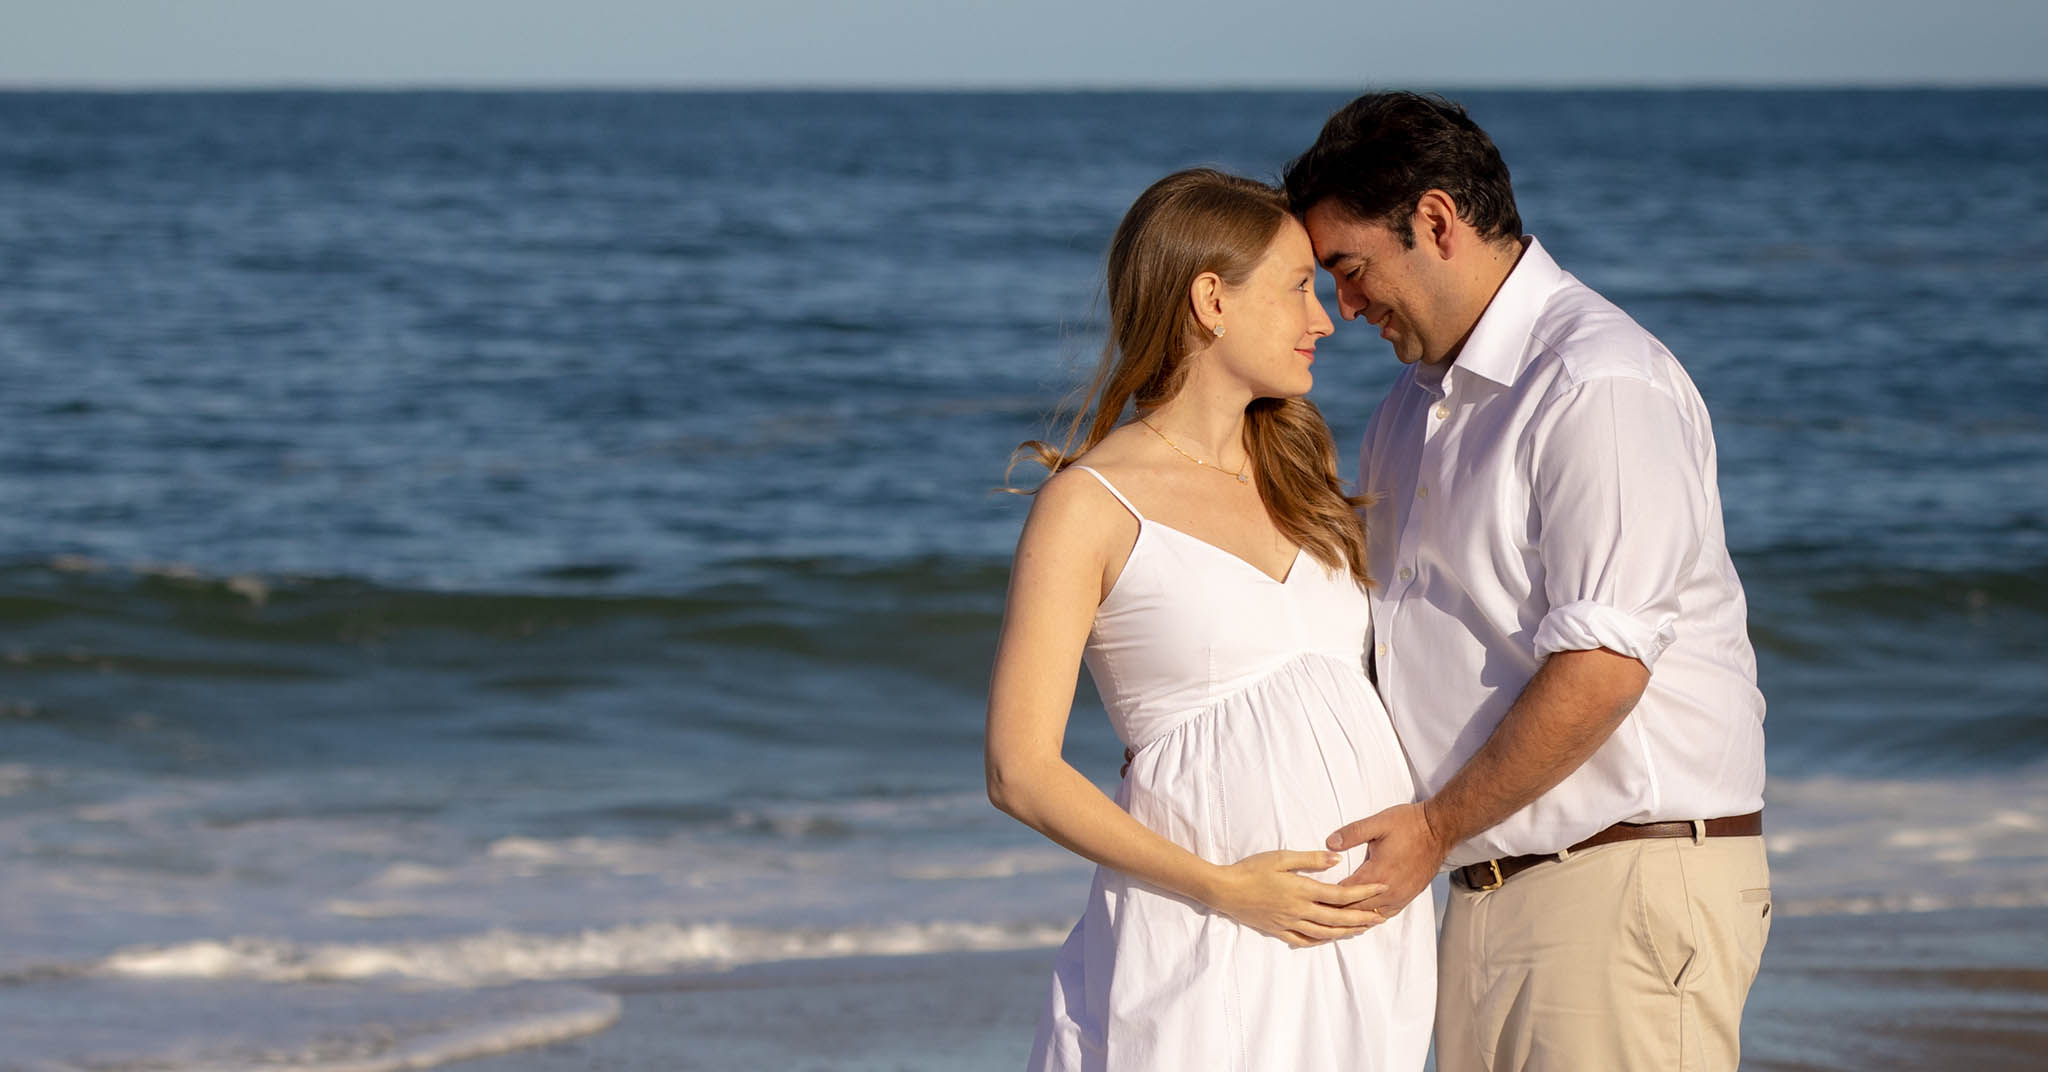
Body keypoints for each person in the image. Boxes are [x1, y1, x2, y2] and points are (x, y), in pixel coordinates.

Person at [1281, 92, 1771, 1071]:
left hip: (1615, 874)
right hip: (1487, 883)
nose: (1344, 307)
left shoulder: (1595, 383)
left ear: (1433, 221)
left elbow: (1602, 665)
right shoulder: (1407, 412)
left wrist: (1431, 828)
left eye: (1348, 268)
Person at [985, 168, 1434, 1071]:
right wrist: (1226, 890)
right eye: (1300, 287)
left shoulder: (1301, 476)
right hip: (1203, 931)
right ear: (1210, 299)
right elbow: (1019, 770)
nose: (1325, 318)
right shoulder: (1092, 504)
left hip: (1363, 940)